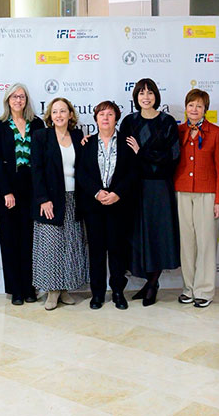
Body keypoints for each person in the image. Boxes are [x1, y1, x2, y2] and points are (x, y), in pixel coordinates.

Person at [119, 78, 180, 306]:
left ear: (156, 96)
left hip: (160, 187)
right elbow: (123, 156)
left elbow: (172, 156)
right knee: (137, 235)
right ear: (135, 97)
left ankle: (153, 283)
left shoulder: (167, 122)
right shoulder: (129, 122)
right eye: (141, 93)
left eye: (150, 92)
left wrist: (142, 152)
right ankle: (146, 282)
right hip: (135, 186)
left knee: (158, 235)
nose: (146, 97)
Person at [76, 100, 137, 310]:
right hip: (94, 206)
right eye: (101, 114)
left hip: (118, 205)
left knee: (117, 250)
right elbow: (82, 173)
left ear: (116, 118)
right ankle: (98, 294)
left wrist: (117, 193)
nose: (105, 118)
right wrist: (97, 192)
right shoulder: (87, 143)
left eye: (110, 114)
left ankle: (118, 292)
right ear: (95, 119)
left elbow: (132, 172)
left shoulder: (127, 142)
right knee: (97, 251)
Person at [0, 83, 45, 305]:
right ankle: (16, 290)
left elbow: (43, 157)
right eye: (13, 96)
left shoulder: (37, 123)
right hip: (9, 189)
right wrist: (6, 191)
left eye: (21, 96)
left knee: (29, 240)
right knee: (10, 239)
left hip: (32, 188)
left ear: (26, 100)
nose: (18, 100)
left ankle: (30, 287)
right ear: (7, 100)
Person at [31, 97, 88, 310]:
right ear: (50, 116)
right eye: (55, 112)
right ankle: (52, 292)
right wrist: (43, 199)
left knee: (70, 245)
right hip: (50, 200)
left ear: (70, 114)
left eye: (63, 111)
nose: (59, 115)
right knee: (51, 246)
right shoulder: (41, 136)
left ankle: (64, 289)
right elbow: (36, 170)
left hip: (74, 198)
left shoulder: (78, 136)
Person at [173, 89, 219, 308]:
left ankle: (204, 290)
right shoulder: (178, 130)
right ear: (186, 107)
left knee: (205, 243)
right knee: (187, 243)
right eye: (191, 105)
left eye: (199, 106)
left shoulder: (215, 132)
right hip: (182, 191)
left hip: (208, 193)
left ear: (206, 109)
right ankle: (189, 288)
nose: (194, 110)